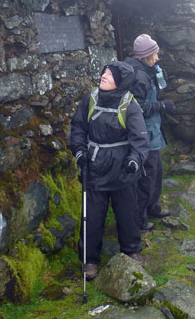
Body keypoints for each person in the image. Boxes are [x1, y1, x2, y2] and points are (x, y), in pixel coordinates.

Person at [70, 61, 150, 280]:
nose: (104, 76)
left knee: (127, 212)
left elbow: (140, 139)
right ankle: (89, 259)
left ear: (121, 81)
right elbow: (77, 127)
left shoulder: (129, 105)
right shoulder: (91, 99)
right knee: (92, 215)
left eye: (110, 74)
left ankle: (131, 250)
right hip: (94, 166)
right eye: (104, 72)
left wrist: (134, 160)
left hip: (122, 168)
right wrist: (79, 151)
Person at [124, 34, 174, 234]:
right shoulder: (138, 76)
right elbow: (136, 107)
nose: (158, 58)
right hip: (143, 134)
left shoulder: (147, 70)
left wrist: (159, 76)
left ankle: (153, 208)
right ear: (145, 56)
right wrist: (161, 105)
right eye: (155, 54)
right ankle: (140, 221)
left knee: (156, 172)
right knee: (145, 177)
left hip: (153, 131)